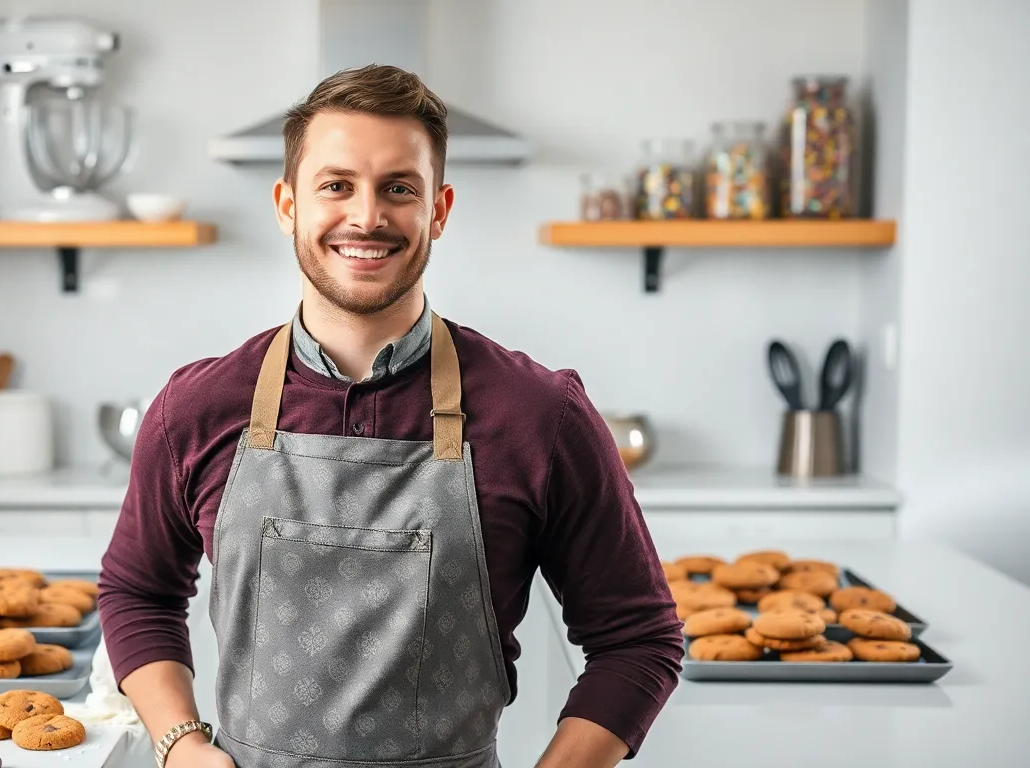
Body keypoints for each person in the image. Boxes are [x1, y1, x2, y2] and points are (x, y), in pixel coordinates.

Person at [98, 64, 683, 768]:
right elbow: (137, 592)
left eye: (398, 188)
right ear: (288, 204)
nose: (367, 217)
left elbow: (639, 638)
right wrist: (180, 743)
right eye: (336, 185)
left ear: (439, 210)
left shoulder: (540, 415)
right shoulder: (197, 407)